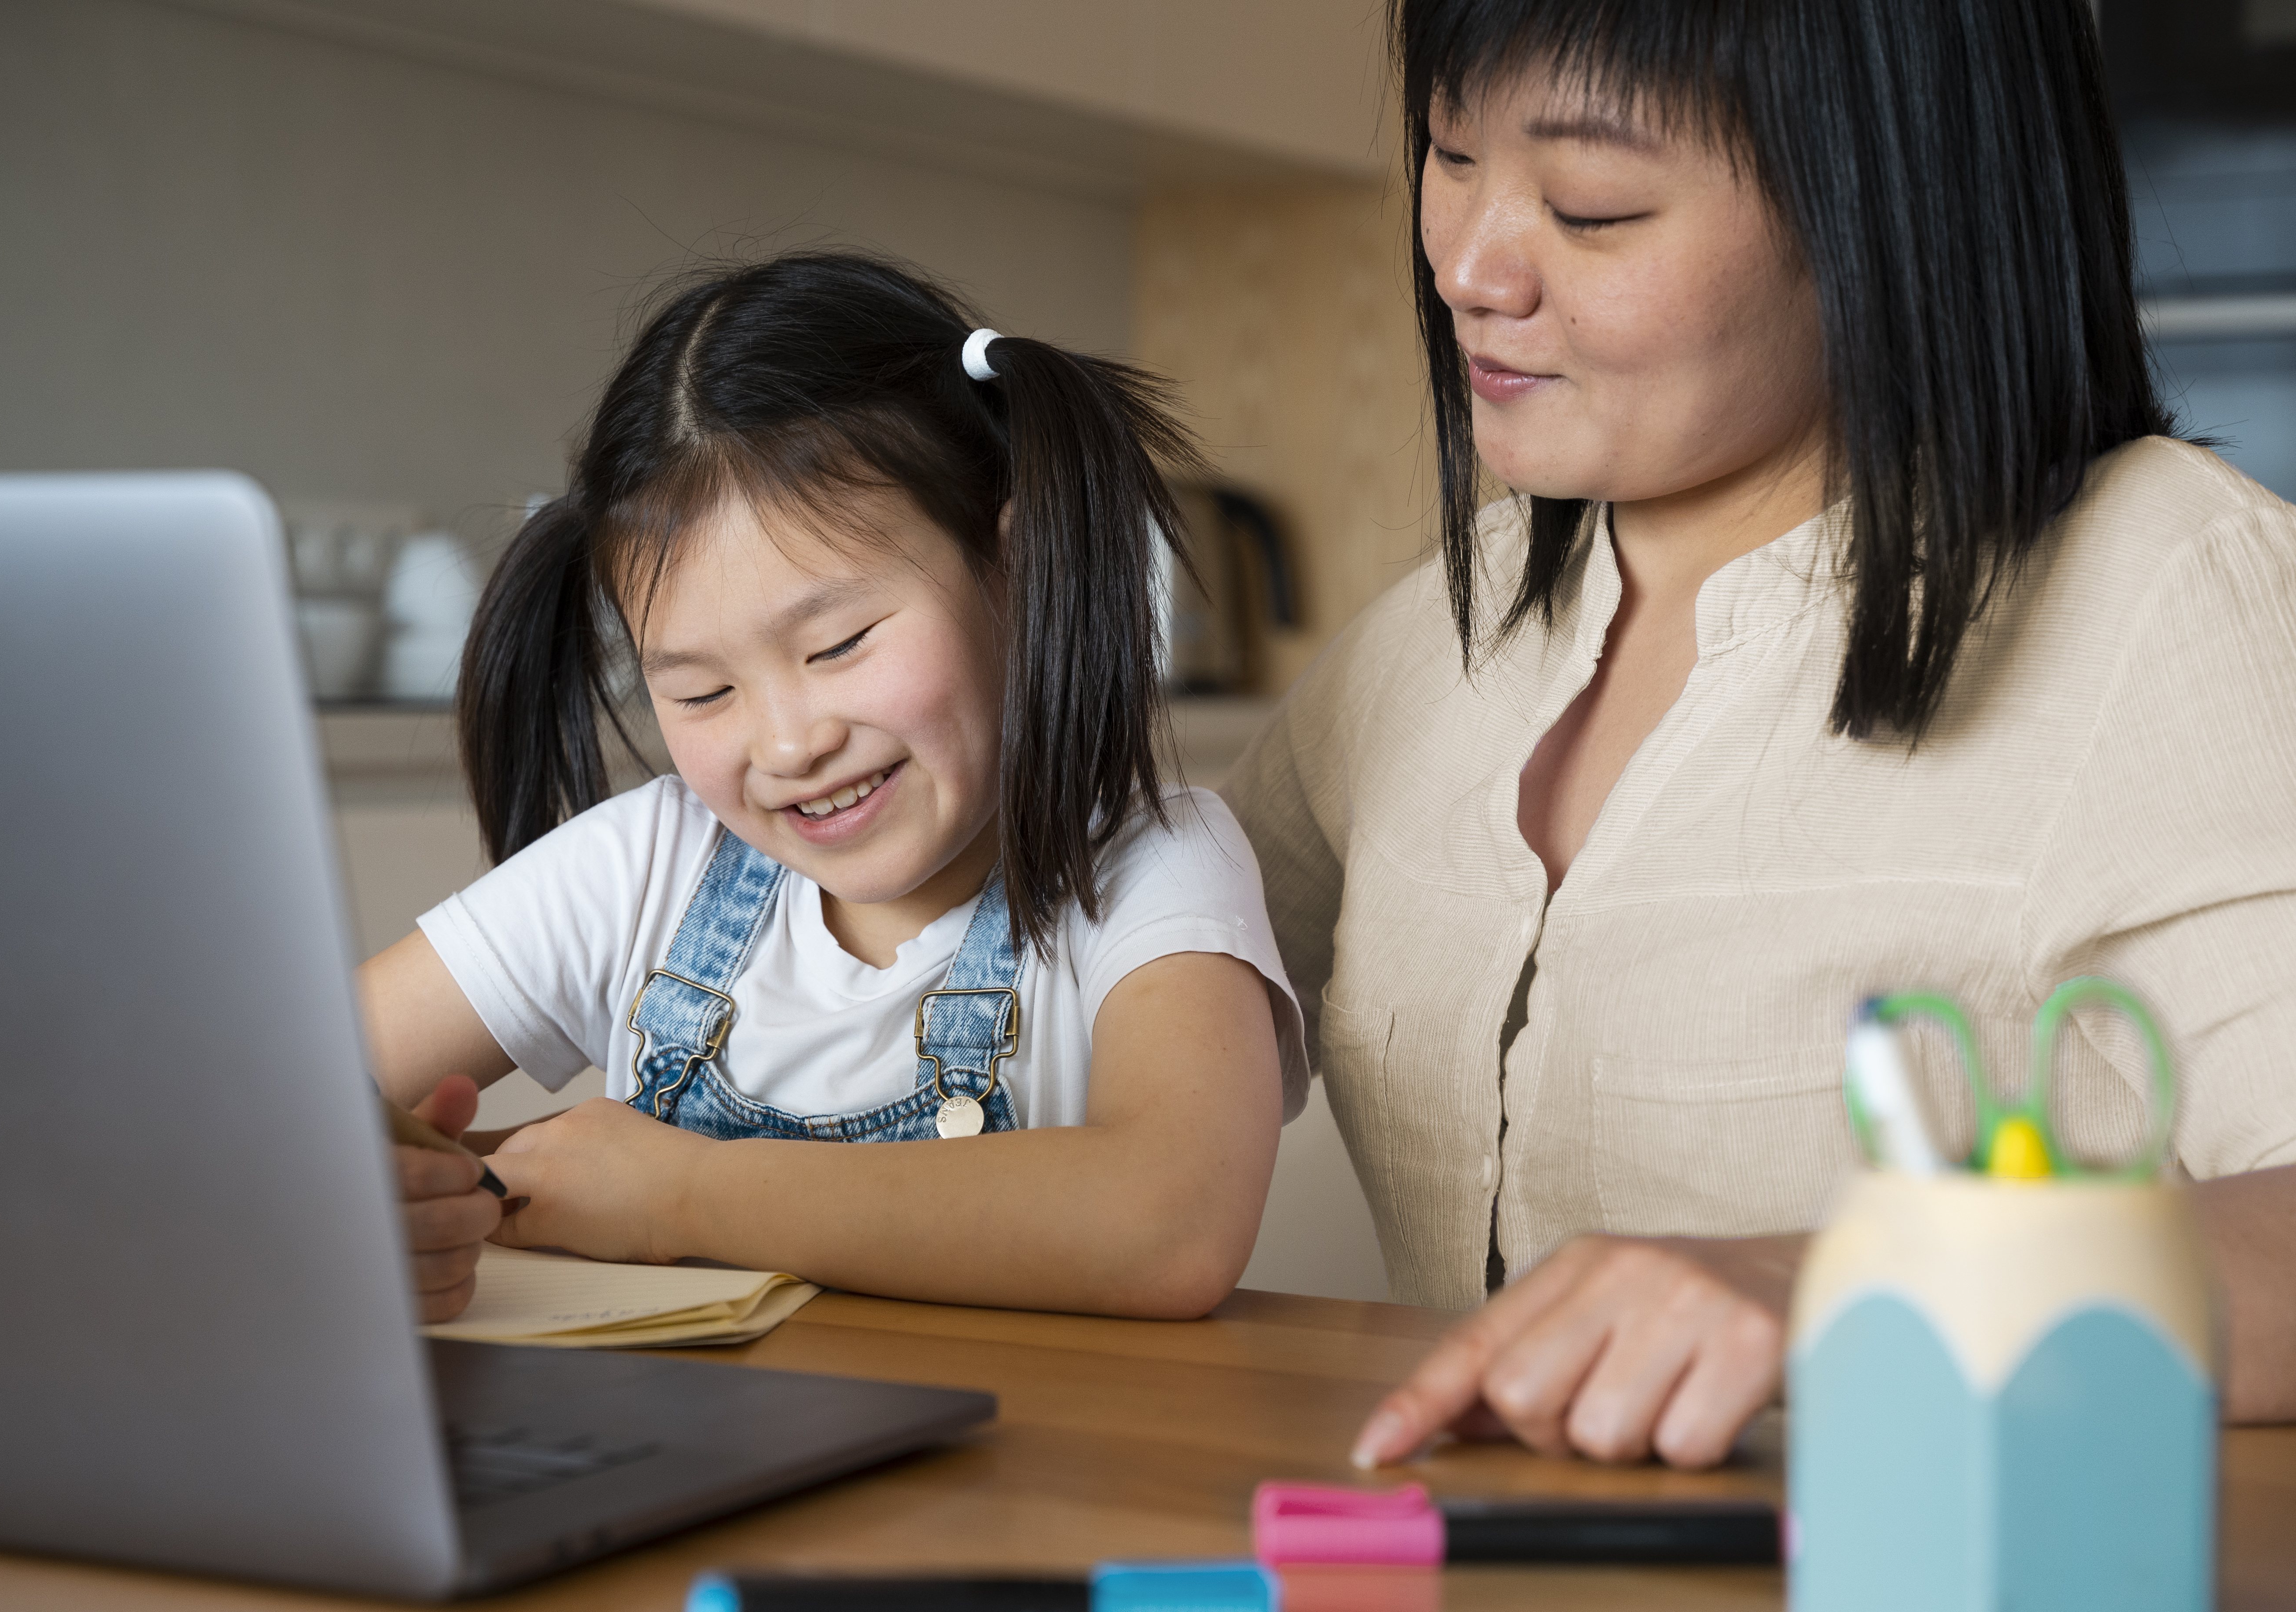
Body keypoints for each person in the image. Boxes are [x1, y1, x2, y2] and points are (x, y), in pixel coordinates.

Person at [1223, 0, 2296, 1471]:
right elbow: (1130, 1024)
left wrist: (1840, 1285)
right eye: (1451, 156)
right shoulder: (1435, 638)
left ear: (1892, 210)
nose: (1469, 269)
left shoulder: (2168, 592)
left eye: (1594, 207)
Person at [371, 253, 1304, 1323]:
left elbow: (1168, 1225)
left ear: (1015, 567)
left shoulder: (1156, 868)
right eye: (704, 690)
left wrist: (680, 1195)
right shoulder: (642, 867)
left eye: (840, 643)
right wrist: (397, 1202)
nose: (789, 743)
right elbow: (266, 1095)